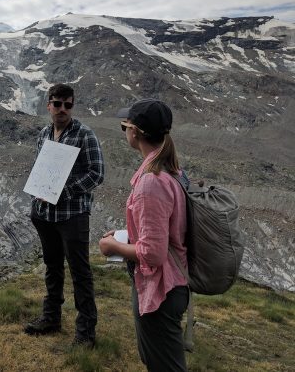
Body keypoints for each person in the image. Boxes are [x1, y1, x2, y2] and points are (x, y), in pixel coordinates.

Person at [98, 98, 189, 371]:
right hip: (174, 283)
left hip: (161, 290)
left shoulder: (151, 181)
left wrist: (113, 247)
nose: (124, 130)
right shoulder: (172, 171)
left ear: (135, 132)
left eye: (125, 126)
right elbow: (167, 229)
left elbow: (153, 253)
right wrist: (127, 234)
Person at [24, 83, 104, 348]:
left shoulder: (85, 135)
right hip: (44, 213)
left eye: (68, 105)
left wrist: (63, 191)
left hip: (73, 214)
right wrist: (38, 191)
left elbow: (97, 173)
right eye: (57, 104)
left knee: (80, 271)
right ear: (49, 105)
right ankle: (51, 318)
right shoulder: (44, 134)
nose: (62, 109)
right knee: (53, 265)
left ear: (72, 106)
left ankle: (86, 332)